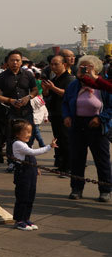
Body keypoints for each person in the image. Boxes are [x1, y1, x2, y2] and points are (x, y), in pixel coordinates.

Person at [61, 55, 112, 202]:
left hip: (97, 125)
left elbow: (110, 106)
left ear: (96, 69)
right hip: (77, 124)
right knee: (77, 158)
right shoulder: (74, 85)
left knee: (102, 159)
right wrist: (67, 116)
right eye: (82, 66)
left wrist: (100, 118)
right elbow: (65, 102)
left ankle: (105, 189)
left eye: (88, 66)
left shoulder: (102, 85)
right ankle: (76, 188)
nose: (84, 69)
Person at [0, 50, 38, 170]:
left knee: (28, 136)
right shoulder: (2, 77)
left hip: (26, 111)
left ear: (21, 62)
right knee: (11, 137)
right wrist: (10, 100)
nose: (15, 62)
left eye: (17, 60)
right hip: (11, 111)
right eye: (12, 60)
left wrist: (28, 97)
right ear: (7, 62)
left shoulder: (28, 75)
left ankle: (27, 160)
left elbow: (35, 90)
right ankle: (12, 162)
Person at [9, 119, 57, 231]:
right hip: (23, 174)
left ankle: (26, 218)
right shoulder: (17, 144)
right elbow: (33, 153)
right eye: (26, 132)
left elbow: (31, 158)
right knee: (22, 197)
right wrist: (49, 147)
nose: (29, 135)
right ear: (17, 133)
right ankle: (19, 220)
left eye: (30, 132)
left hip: (30, 172)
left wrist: (36, 168)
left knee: (30, 196)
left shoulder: (24, 144)